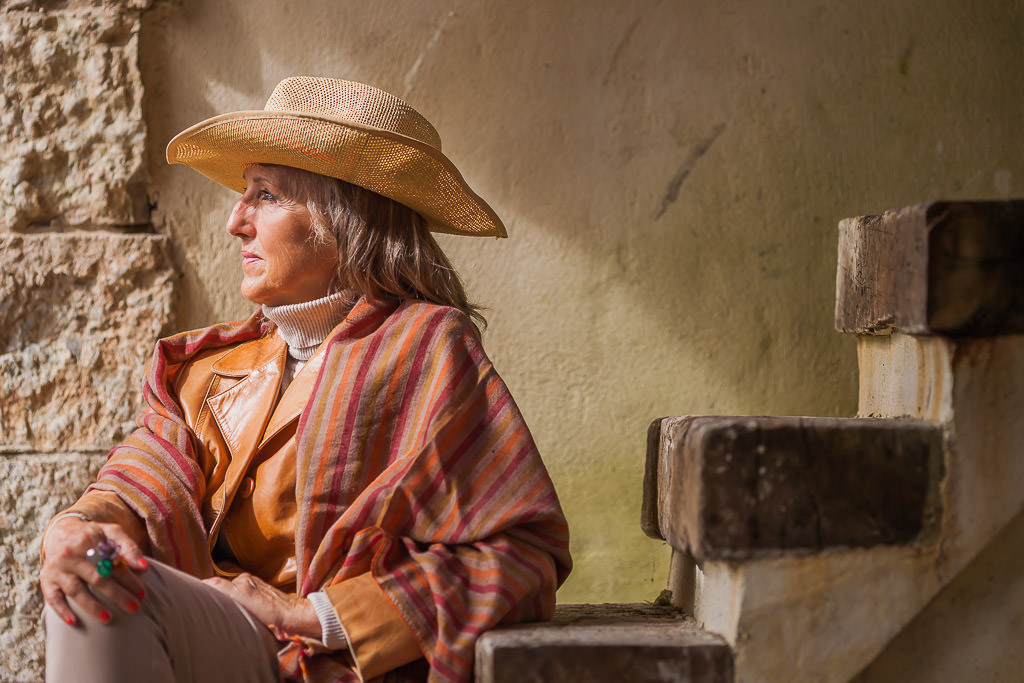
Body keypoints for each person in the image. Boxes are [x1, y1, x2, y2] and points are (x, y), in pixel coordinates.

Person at [39, 76, 572, 683]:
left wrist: (316, 614)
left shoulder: (428, 349)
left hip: (334, 663)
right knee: (91, 580)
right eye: (245, 193)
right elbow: (138, 482)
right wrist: (74, 530)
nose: (235, 221)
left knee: (109, 591)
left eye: (264, 194)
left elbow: (522, 558)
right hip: (221, 639)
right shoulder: (209, 371)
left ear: (343, 215)